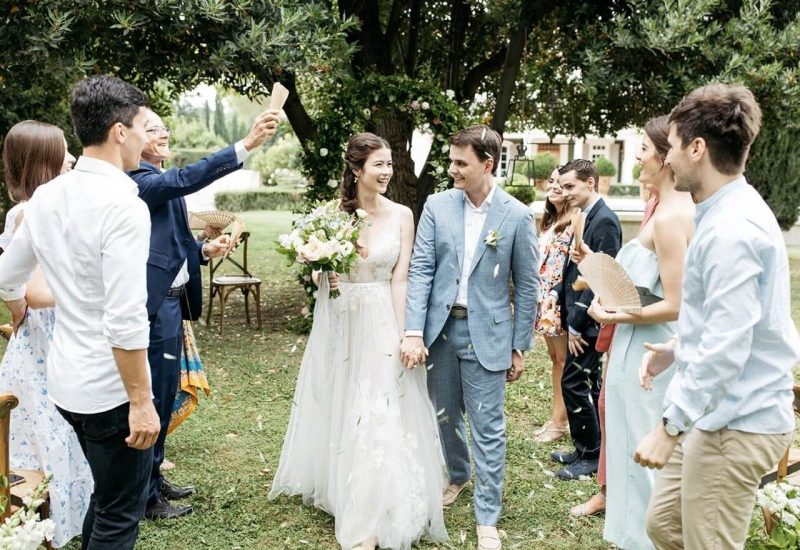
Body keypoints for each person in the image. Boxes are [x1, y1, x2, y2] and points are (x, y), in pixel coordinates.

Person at [635, 84, 800, 549]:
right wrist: (677, 348)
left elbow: (728, 345)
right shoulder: (717, 212)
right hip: (713, 411)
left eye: (671, 146)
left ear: (697, 147)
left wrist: (669, 426)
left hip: (739, 421)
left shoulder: (732, 229)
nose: (666, 160)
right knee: (665, 524)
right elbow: (729, 321)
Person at [0, 75, 159, 549]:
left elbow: (8, 275)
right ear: (119, 132)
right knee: (118, 515)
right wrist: (141, 401)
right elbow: (125, 318)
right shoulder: (123, 207)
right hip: (110, 390)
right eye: (142, 127)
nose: (146, 138)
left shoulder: (46, 197)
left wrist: (23, 309)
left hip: (64, 384)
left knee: (105, 498)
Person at [270, 133, 448, 550]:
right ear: (356, 170)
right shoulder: (331, 216)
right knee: (343, 398)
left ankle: (375, 507)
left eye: (389, 164)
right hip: (341, 318)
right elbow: (319, 272)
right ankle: (342, 484)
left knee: (379, 405)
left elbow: (401, 278)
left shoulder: (404, 214)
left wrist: (409, 333)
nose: (386, 172)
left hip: (381, 317)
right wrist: (320, 270)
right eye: (378, 165)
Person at [127, 107, 280, 520]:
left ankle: (155, 478)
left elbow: (172, 243)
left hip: (175, 304)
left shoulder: (158, 179)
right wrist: (244, 145)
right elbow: (186, 178)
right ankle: (144, 497)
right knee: (155, 397)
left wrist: (202, 249)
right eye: (153, 128)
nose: (163, 133)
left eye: (163, 126)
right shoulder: (140, 179)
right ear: (129, 137)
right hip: (156, 309)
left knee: (163, 394)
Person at [401, 125, 539, 550]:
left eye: (461, 162)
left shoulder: (516, 215)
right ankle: (459, 475)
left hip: (490, 335)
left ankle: (487, 518)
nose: (452, 169)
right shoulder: (437, 206)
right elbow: (421, 268)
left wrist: (518, 345)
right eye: (451, 160)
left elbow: (527, 286)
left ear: (487, 164)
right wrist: (412, 330)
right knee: (444, 415)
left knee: (489, 427)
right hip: (439, 333)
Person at [571, 116, 695, 547]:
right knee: (626, 454)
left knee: (644, 464)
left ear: (665, 157)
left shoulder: (671, 217)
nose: (637, 156)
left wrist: (614, 316)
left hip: (648, 355)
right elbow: (646, 287)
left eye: (642, 148)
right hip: (631, 349)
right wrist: (600, 277)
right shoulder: (660, 211)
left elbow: (676, 304)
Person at [0, 120, 92, 548]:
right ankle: (41, 511)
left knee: (64, 426)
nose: (72, 158)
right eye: (63, 151)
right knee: (48, 428)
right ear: (42, 163)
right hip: (43, 342)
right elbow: (31, 292)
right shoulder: (25, 213)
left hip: (58, 333)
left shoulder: (58, 208)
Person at [546, 159, 621, 480]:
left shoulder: (605, 221)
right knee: (584, 385)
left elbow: (601, 276)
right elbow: (573, 266)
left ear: (591, 183)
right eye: (562, 187)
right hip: (575, 311)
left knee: (575, 383)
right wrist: (556, 295)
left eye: (570, 186)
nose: (564, 193)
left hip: (589, 319)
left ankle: (591, 455)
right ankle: (586, 448)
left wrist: (576, 323)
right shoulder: (583, 216)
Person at [533, 167, 574, 443]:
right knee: (555, 359)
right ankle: (556, 417)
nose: (555, 186)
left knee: (562, 360)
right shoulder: (549, 222)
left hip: (557, 301)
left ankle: (559, 422)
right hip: (544, 299)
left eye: (562, 183)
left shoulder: (573, 222)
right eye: (552, 181)